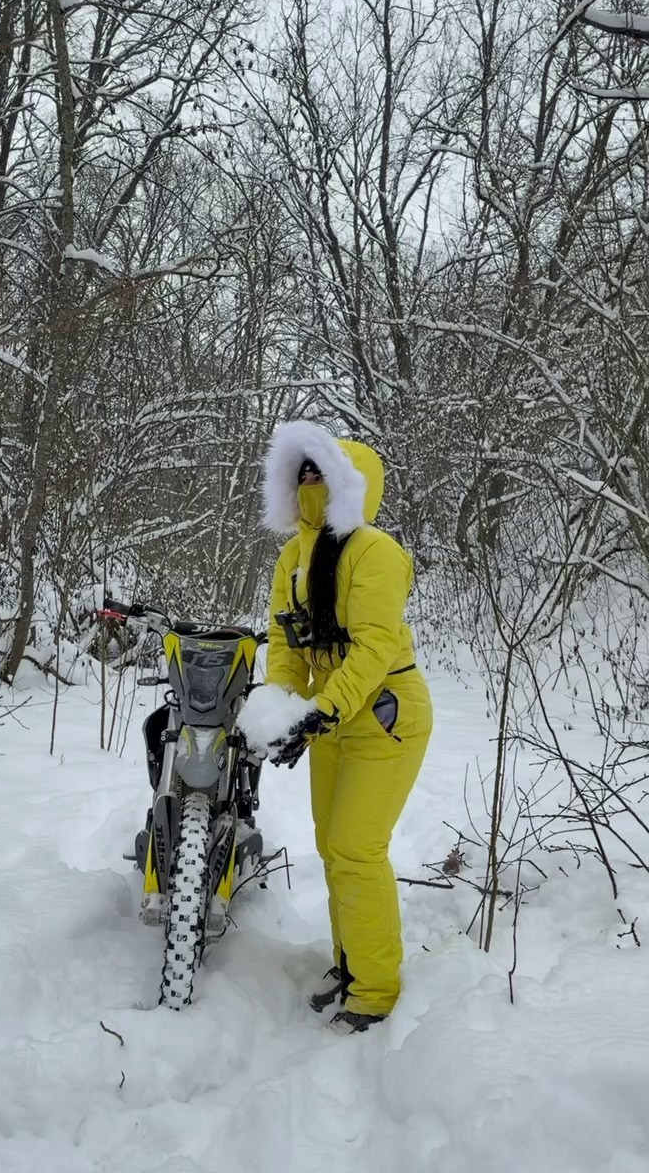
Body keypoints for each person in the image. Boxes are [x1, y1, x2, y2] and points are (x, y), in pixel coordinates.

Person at [262, 420, 433, 1035]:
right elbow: (285, 645)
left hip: (384, 713)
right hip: (331, 716)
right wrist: (280, 711)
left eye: (320, 473)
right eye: (300, 472)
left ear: (349, 484)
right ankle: (351, 963)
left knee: (358, 849)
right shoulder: (291, 557)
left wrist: (324, 709)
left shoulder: (375, 552)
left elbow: (372, 646)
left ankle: (378, 988)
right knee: (334, 850)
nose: (309, 482)